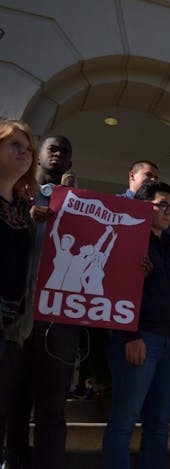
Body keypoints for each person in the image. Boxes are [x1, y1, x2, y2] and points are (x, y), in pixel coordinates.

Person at [102, 181, 170, 469]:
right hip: (139, 340)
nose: (168, 211)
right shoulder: (129, 239)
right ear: (144, 206)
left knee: (159, 425)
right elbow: (116, 290)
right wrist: (130, 335)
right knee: (124, 421)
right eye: (161, 204)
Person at [4, 135, 80, 469]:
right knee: (12, 401)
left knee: (52, 407)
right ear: (39, 157)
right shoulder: (16, 196)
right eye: (53, 148)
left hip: (59, 321)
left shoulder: (81, 203)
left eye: (65, 151)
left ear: (69, 163)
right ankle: (13, 458)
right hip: (16, 317)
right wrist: (26, 218)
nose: (58, 154)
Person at [0, 120, 38, 468]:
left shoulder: (22, 210)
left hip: (12, 327)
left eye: (27, 148)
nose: (24, 152)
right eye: (14, 145)